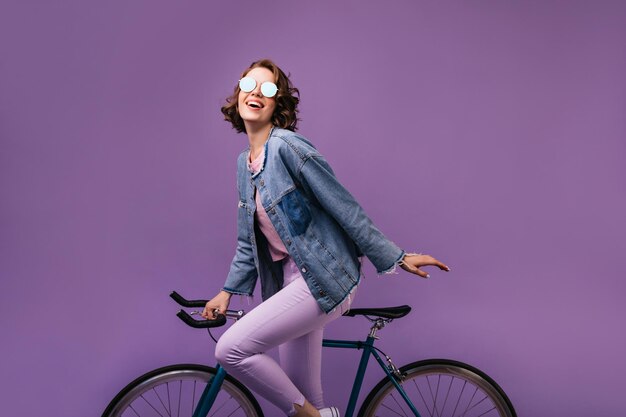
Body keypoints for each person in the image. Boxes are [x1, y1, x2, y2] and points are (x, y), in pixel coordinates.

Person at [202, 58, 450, 417]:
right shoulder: (245, 163)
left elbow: (343, 206)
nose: (256, 93)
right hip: (290, 281)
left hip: (324, 277)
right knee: (304, 395)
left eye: (268, 89)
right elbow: (247, 242)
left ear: (278, 103)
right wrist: (227, 292)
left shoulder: (289, 147)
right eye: (249, 85)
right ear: (238, 94)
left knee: (232, 350)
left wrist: (395, 256)